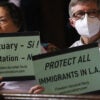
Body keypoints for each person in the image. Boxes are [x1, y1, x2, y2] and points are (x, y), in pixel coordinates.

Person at [29, 0, 100, 94]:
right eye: (80, 14)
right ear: (72, 22)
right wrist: (44, 92)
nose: (86, 18)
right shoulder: (69, 54)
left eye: (93, 12)